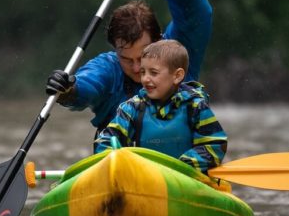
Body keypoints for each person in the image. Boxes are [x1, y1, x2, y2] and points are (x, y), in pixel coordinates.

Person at [46, 0, 213, 135]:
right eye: (126, 59)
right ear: (115, 50)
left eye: (142, 57)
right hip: (120, 160)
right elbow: (85, 87)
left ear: (159, 40)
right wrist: (68, 89)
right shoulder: (107, 69)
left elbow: (195, 13)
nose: (136, 69)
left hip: (180, 162)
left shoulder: (178, 53)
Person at [95, 40, 227, 174]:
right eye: (142, 72)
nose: (145, 79)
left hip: (187, 176)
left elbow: (214, 144)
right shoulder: (132, 108)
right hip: (145, 178)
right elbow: (107, 138)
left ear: (177, 76)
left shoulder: (195, 107)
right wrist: (110, 157)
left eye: (153, 72)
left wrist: (183, 167)